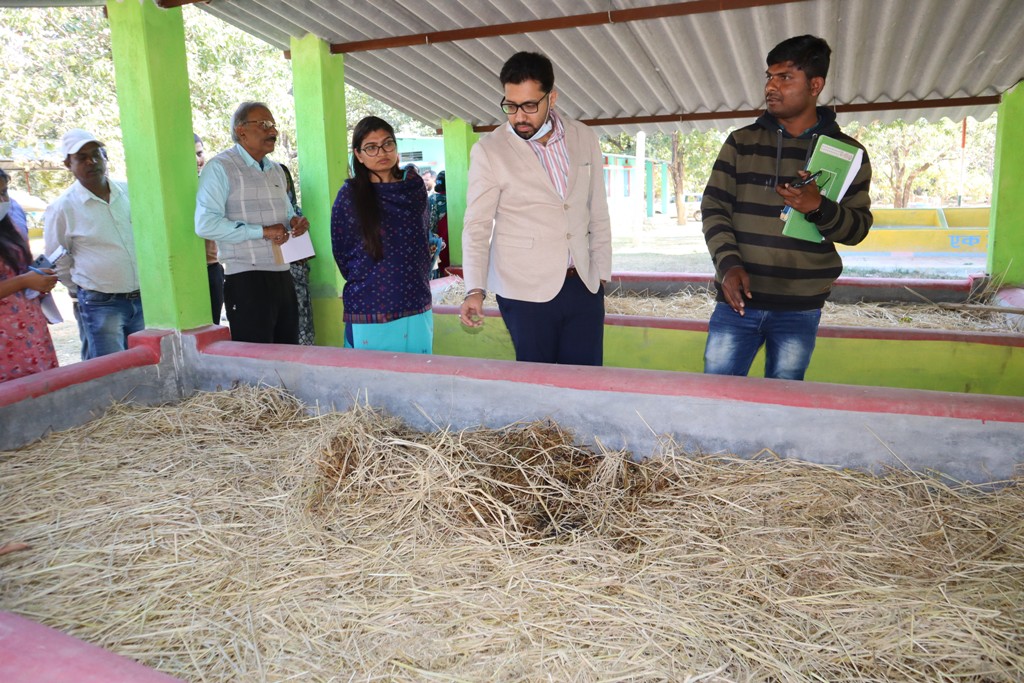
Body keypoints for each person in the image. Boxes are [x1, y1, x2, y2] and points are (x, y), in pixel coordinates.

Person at [701, 35, 873, 381]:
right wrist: (728, 264)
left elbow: (858, 229)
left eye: (784, 78)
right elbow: (713, 207)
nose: (771, 87)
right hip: (737, 302)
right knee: (716, 398)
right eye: (769, 77)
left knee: (783, 404)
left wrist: (818, 207)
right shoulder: (741, 142)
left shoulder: (848, 153)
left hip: (800, 307)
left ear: (815, 84)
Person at [459, 51, 612, 366]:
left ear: (551, 98)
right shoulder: (490, 151)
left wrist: (601, 275)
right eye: (511, 106)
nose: (519, 116)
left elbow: (597, 209)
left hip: (582, 284)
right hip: (523, 289)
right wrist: (474, 288)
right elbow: (477, 225)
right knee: (538, 384)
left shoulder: (584, 136)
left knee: (585, 381)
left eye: (530, 105)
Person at [195, 101, 309, 344]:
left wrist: (296, 222)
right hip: (246, 277)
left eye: (274, 125)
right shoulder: (220, 168)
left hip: (283, 274)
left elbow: (287, 213)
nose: (274, 132)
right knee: (258, 365)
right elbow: (205, 224)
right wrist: (263, 232)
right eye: (264, 125)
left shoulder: (276, 170)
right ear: (241, 130)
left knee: (288, 353)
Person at [330, 116, 432, 354]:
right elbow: (342, 252)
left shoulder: (414, 189)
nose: (381, 152)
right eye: (371, 147)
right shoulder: (350, 196)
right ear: (358, 155)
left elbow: (422, 238)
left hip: (415, 297)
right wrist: (374, 275)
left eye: (387, 144)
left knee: (417, 376)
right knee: (370, 383)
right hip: (370, 302)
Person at [44, 129, 143, 360]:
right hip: (100, 303)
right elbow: (57, 259)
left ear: (105, 157)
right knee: (108, 369)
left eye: (97, 154)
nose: (92, 161)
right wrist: (79, 289)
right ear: (68, 164)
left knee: (143, 363)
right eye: (81, 157)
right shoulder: (62, 207)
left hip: (143, 297)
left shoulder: (130, 192)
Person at [1, 168, 59, 382]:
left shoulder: (8, 225)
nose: (2, 200)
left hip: (27, 326)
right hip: (4, 337)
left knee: (41, 387)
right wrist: (25, 280)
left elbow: (15, 269)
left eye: (4, 192)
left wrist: (37, 276)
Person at [281, 163, 315, 345]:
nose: (283, 184)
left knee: (303, 320)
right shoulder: (271, 214)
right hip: (281, 274)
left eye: (286, 180)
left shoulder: (297, 212)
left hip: (299, 273)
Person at [195, 133, 224, 325]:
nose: (198, 160)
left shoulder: (210, 185)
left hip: (213, 267)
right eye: (193, 155)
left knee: (212, 328)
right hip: (189, 272)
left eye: (200, 153)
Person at [428, 170, 449, 278]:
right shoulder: (457, 198)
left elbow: (429, 225)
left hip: (438, 243)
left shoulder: (432, 199)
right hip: (453, 241)